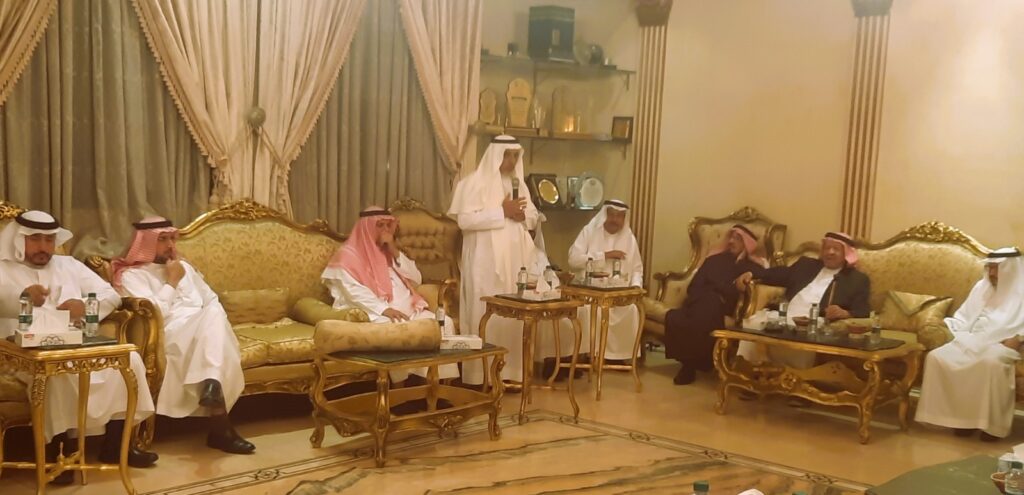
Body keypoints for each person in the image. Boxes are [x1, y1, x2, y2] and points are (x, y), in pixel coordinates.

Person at [0, 211, 158, 483]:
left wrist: (84, 307)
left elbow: (110, 295)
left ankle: (116, 445)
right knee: (57, 373)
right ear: (18, 239)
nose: (43, 247)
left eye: (49, 240)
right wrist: (22, 297)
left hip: (74, 344)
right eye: (35, 239)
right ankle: (58, 452)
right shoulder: (3, 267)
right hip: (20, 352)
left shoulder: (68, 265)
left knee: (130, 360)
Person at [112, 217, 254, 455]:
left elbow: (211, 299)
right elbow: (153, 315)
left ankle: (213, 387)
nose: (170, 245)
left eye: (172, 238)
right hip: (169, 335)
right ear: (145, 242)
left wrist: (182, 278)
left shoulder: (185, 268)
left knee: (213, 315)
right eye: (162, 239)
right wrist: (171, 282)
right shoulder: (132, 276)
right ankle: (219, 421)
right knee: (214, 327)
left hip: (204, 331)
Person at [321, 206, 458, 380]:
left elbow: (416, 279)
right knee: (395, 328)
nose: (385, 230)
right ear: (367, 228)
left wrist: (393, 249)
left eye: (388, 225)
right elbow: (353, 291)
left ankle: (437, 383)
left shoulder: (390, 253)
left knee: (444, 323)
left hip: (410, 311)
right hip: (374, 313)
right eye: (380, 225)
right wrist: (384, 309)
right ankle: (402, 385)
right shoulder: (348, 256)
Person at [448, 135, 539, 385]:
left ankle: (511, 373)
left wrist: (522, 216)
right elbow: (465, 221)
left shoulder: (519, 184)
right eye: (507, 155)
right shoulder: (472, 184)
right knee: (483, 311)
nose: (511, 161)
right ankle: (480, 377)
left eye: (515, 155)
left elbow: (533, 217)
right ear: (494, 155)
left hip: (515, 260)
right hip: (484, 260)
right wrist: (502, 212)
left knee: (512, 314)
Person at [915, 247, 1024, 441]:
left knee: (990, 364)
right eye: (990, 268)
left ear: (1010, 269)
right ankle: (961, 420)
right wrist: (952, 329)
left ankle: (990, 426)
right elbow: (964, 317)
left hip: (1004, 344)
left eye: (996, 268)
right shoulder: (982, 286)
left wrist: (1018, 339)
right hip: (972, 338)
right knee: (937, 358)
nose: (991, 273)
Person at [736, 231, 870, 368]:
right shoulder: (806, 265)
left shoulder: (857, 280)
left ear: (846, 253)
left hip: (814, 322)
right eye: (827, 248)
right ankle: (746, 369)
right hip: (785, 315)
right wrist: (751, 274)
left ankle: (795, 376)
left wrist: (844, 313)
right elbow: (776, 274)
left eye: (836, 249)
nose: (830, 252)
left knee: (802, 335)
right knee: (752, 324)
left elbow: (863, 310)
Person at [664, 224, 767, 385]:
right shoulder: (713, 260)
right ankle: (693, 364)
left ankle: (688, 366)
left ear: (746, 244)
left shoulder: (751, 267)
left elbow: (758, 281)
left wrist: (723, 289)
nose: (731, 241)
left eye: (737, 239)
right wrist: (713, 292)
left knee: (702, 309)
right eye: (731, 237)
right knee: (696, 311)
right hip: (699, 302)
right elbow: (693, 287)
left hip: (722, 306)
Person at [566, 200, 644, 365]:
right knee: (592, 311)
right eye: (612, 215)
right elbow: (573, 260)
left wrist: (636, 288)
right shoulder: (589, 232)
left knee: (631, 310)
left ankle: (617, 357)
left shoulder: (629, 239)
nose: (615, 220)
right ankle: (592, 354)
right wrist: (605, 255)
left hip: (618, 296)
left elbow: (637, 269)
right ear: (604, 215)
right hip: (590, 294)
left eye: (620, 216)